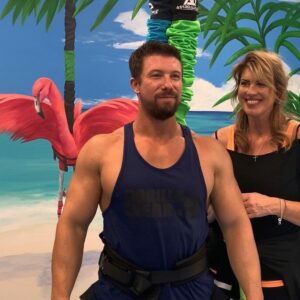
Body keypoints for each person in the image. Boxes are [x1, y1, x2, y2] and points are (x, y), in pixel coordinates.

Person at [51, 41, 263, 300]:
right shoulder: (102, 152)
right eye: (156, 75)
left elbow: (235, 225)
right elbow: (73, 226)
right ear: (135, 85)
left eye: (175, 76)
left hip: (193, 292)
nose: (168, 83)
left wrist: (254, 295)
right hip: (120, 291)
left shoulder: (210, 154)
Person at [209, 50, 300, 300]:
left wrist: (273, 206)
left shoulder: (297, 137)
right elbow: (207, 210)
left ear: (278, 92)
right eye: (245, 83)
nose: (250, 91)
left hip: (280, 266)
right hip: (222, 263)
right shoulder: (220, 139)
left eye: (261, 84)